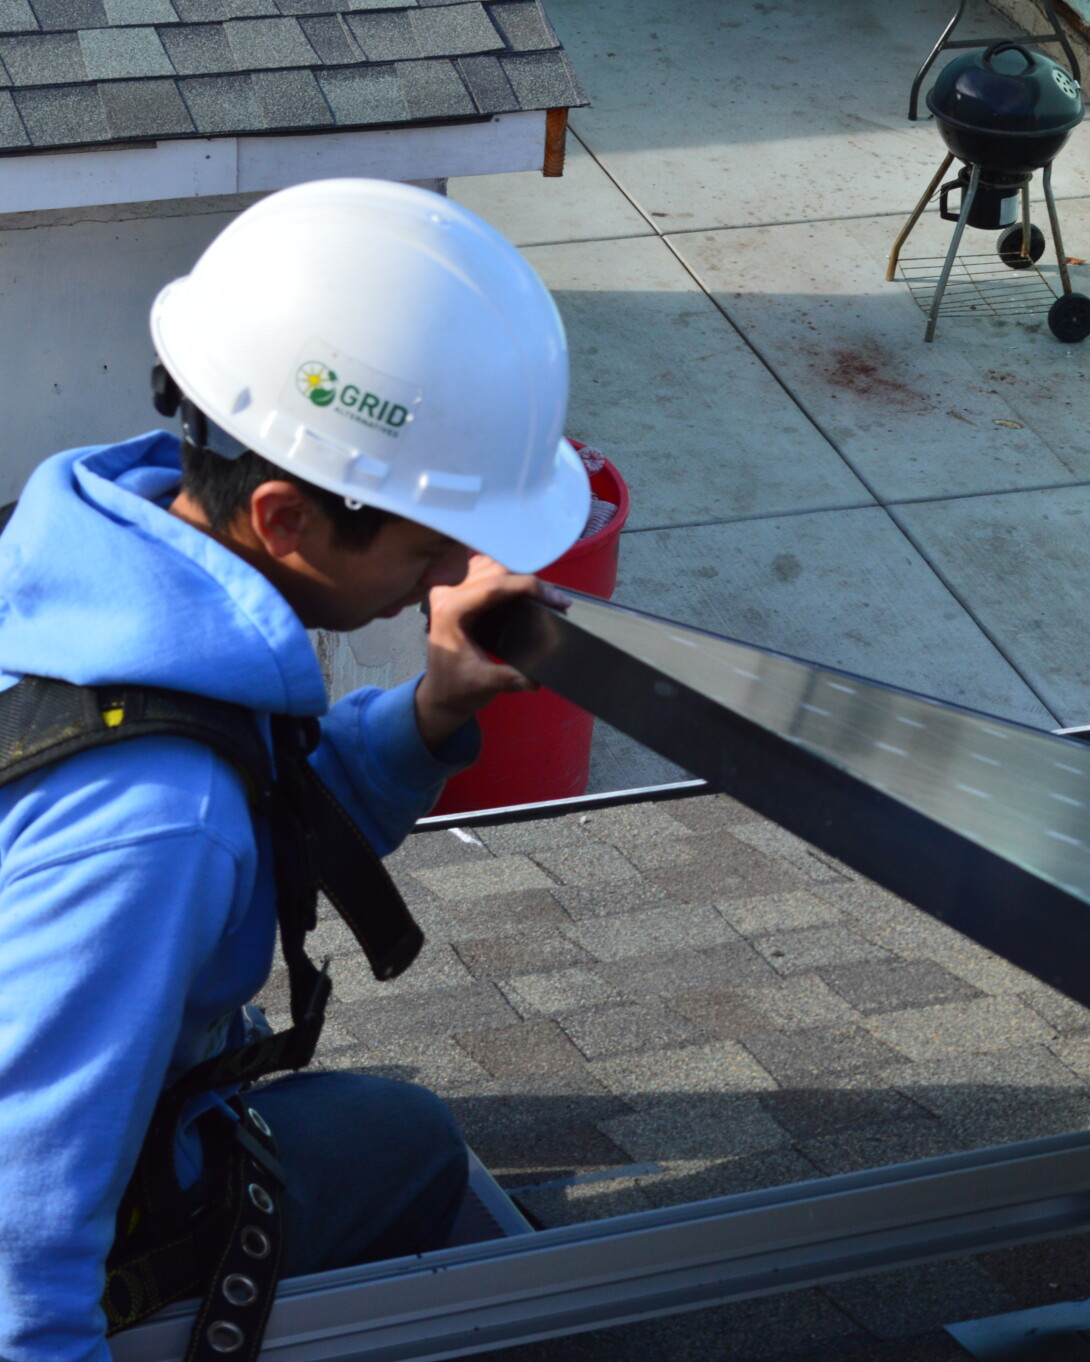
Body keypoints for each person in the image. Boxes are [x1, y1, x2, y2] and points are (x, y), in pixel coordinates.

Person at [0, 178, 590, 1361]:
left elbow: (275, 803)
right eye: (431, 544)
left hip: (126, 1106)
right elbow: (18, 1221)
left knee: (393, 1131)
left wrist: (428, 715)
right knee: (415, 1150)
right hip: (63, 1240)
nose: (447, 578)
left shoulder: (107, 583)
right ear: (283, 519)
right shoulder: (153, 826)